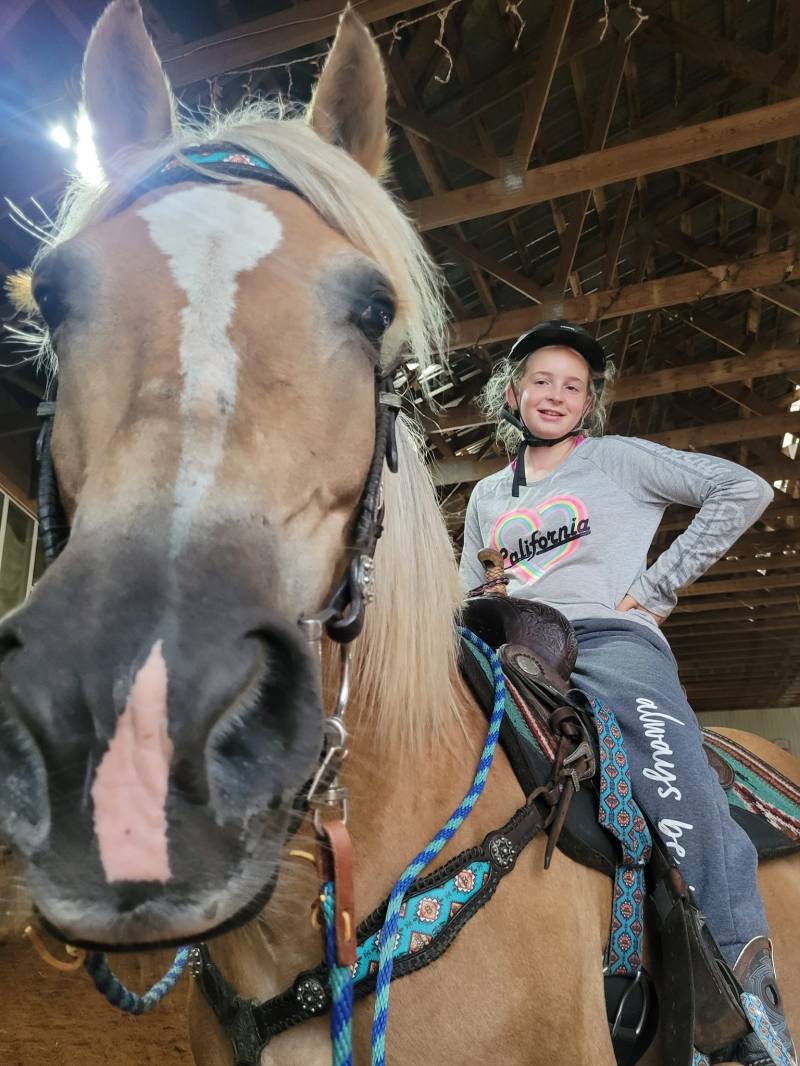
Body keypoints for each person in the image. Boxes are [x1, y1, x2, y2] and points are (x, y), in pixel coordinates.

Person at [458, 320, 795, 1066]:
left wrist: (654, 590)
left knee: (678, 787)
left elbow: (739, 488)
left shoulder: (616, 461)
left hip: (610, 642)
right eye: (541, 380)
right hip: (516, 645)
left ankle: (745, 1005)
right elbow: (466, 587)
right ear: (512, 394)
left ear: (588, 405)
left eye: (573, 386)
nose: (556, 394)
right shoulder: (487, 494)